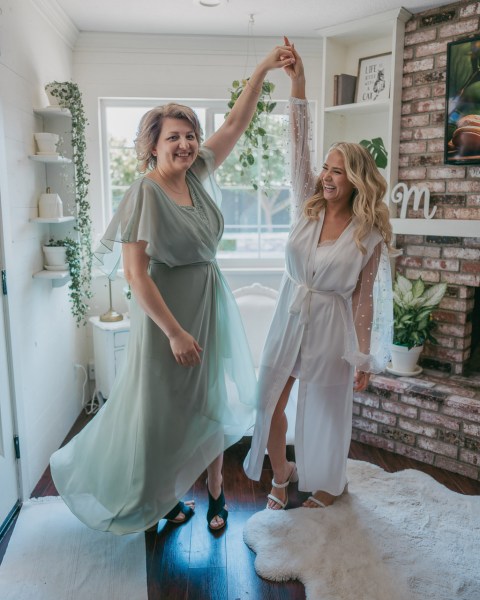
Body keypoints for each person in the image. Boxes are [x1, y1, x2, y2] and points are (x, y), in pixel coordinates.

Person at [50, 43, 296, 533]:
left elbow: (234, 126)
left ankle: (215, 492)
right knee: (160, 416)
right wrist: (174, 333)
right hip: (168, 319)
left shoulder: (198, 174)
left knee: (208, 405)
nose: (184, 144)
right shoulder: (145, 190)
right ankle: (158, 500)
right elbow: (136, 275)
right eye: (173, 138)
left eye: (189, 136)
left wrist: (264, 69)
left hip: (208, 303)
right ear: (153, 146)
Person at [243, 38, 393, 510]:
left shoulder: (368, 234)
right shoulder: (306, 205)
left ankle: (328, 481)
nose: (327, 178)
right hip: (290, 315)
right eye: (325, 169)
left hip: (332, 325)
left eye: (339, 172)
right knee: (268, 401)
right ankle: (282, 473)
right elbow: (298, 142)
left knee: (327, 410)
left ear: (357, 180)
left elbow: (364, 298)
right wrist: (299, 84)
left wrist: (362, 354)